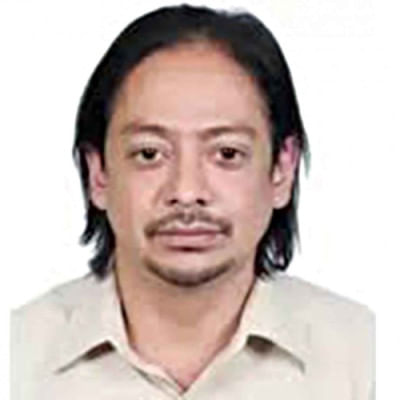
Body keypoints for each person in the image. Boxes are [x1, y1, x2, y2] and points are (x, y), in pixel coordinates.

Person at [10, 4, 375, 399]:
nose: (186, 192)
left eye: (227, 154)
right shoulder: (19, 356)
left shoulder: (365, 356)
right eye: (149, 154)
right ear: (98, 172)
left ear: (282, 169)